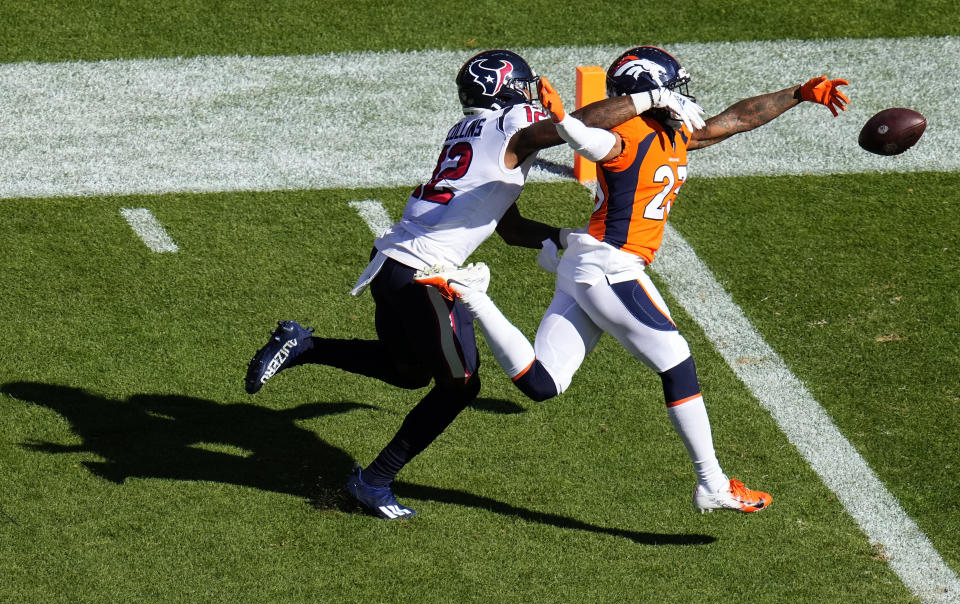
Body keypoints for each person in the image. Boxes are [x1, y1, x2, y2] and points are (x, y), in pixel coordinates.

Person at [244, 49, 706, 519]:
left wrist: (569, 239)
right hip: (425, 272)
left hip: (390, 262)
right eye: (523, 87)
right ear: (505, 88)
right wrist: (650, 98)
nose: (531, 96)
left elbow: (509, 228)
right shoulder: (513, 122)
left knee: (407, 371)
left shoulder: (468, 131)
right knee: (459, 386)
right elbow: (573, 124)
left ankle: (304, 345)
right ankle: (373, 481)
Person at [423, 45, 851, 513]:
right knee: (677, 360)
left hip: (590, 265)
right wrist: (565, 120)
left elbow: (736, 120)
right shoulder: (626, 131)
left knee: (542, 384)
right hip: (611, 265)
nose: (682, 95)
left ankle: (475, 297)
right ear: (648, 90)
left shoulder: (673, 132)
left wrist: (799, 93)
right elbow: (590, 141)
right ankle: (712, 483)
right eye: (671, 87)